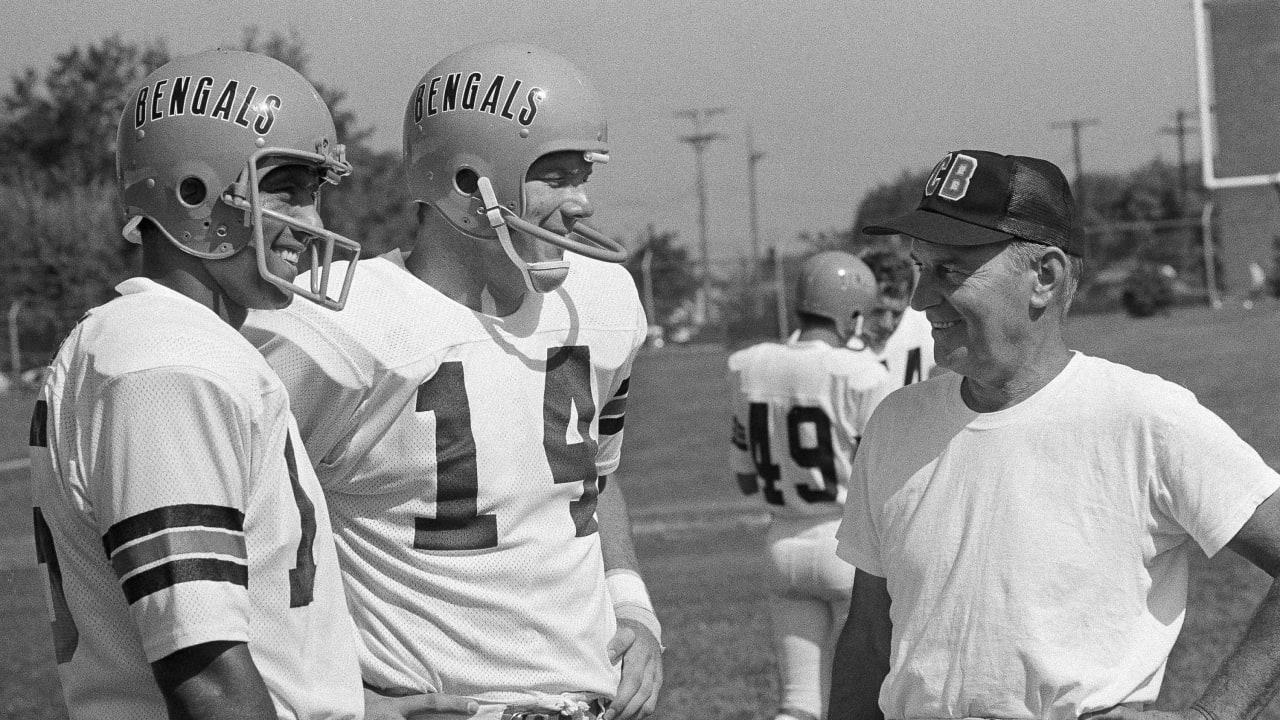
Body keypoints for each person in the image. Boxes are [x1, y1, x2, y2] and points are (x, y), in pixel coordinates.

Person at [242, 42, 662, 720]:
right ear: (469, 186)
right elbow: (241, 527)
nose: (581, 203)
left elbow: (594, 479)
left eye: (584, 175)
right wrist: (342, 699)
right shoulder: (332, 327)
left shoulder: (605, 303)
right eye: (554, 177)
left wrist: (633, 606)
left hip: (595, 701)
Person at [829, 149, 1280, 720]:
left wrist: (1212, 716)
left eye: (950, 270)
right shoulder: (895, 424)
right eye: (921, 267)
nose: (920, 300)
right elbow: (869, 635)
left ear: (1044, 277)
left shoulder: (1143, 418)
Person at [27, 50, 365, 720]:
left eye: (315, 191)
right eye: (287, 186)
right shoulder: (167, 364)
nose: (313, 224)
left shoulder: (177, 345)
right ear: (194, 193)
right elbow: (205, 675)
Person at [729, 251, 892, 720]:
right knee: (859, 703)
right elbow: (879, 481)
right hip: (849, 549)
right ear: (853, 315)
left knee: (799, 705)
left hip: (781, 544)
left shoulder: (750, 366)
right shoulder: (862, 374)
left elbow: (745, 478)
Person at [848, 248, 936, 388]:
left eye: (897, 314)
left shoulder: (931, 331)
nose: (887, 325)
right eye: (877, 311)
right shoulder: (827, 341)